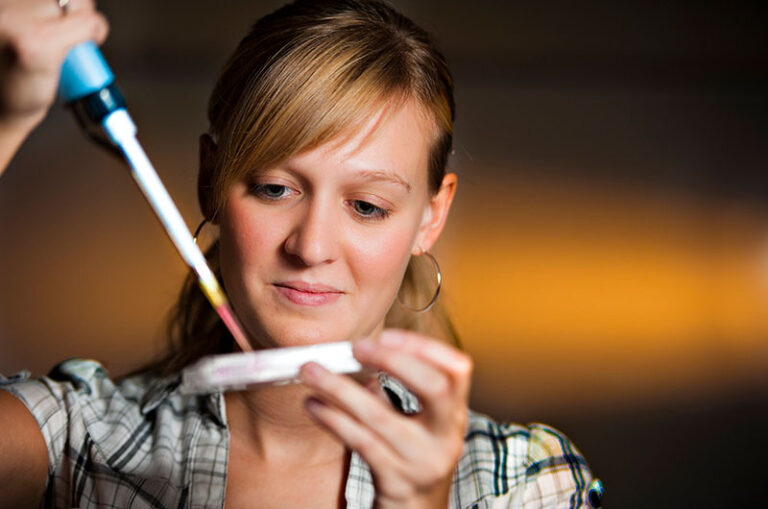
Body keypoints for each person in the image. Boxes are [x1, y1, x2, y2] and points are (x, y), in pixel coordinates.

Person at [0, 0, 602, 507]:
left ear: (431, 216)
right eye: (274, 188)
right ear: (211, 180)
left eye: (367, 206)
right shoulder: (79, 443)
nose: (310, 247)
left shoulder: (525, 482)